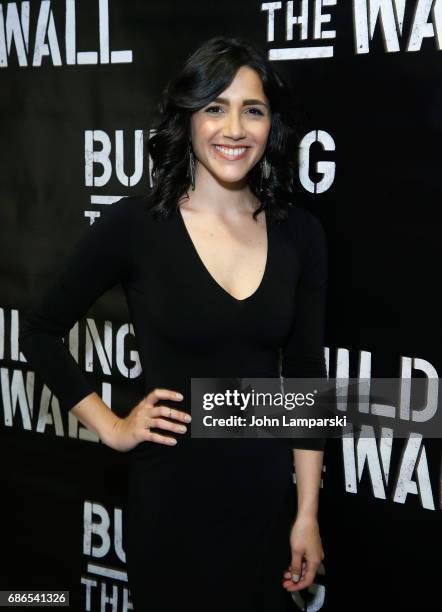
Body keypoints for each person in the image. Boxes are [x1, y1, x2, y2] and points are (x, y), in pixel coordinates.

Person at [19, 36, 328, 611]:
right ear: (187, 118)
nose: (234, 128)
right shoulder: (137, 225)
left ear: (271, 125)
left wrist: (306, 513)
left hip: (263, 502)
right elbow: (39, 331)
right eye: (215, 107)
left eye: (252, 109)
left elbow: (307, 378)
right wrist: (111, 426)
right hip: (171, 500)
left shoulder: (300, 234)